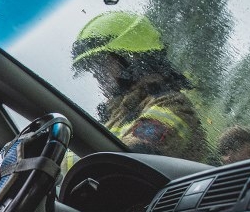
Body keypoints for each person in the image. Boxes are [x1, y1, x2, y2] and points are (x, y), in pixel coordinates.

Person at [71, 12, 207, 162]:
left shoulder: (172, 105)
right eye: (93, 69)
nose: (97, 75)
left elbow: (132, 158)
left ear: (131, 58)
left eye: (101, 65)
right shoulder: (115, 115)